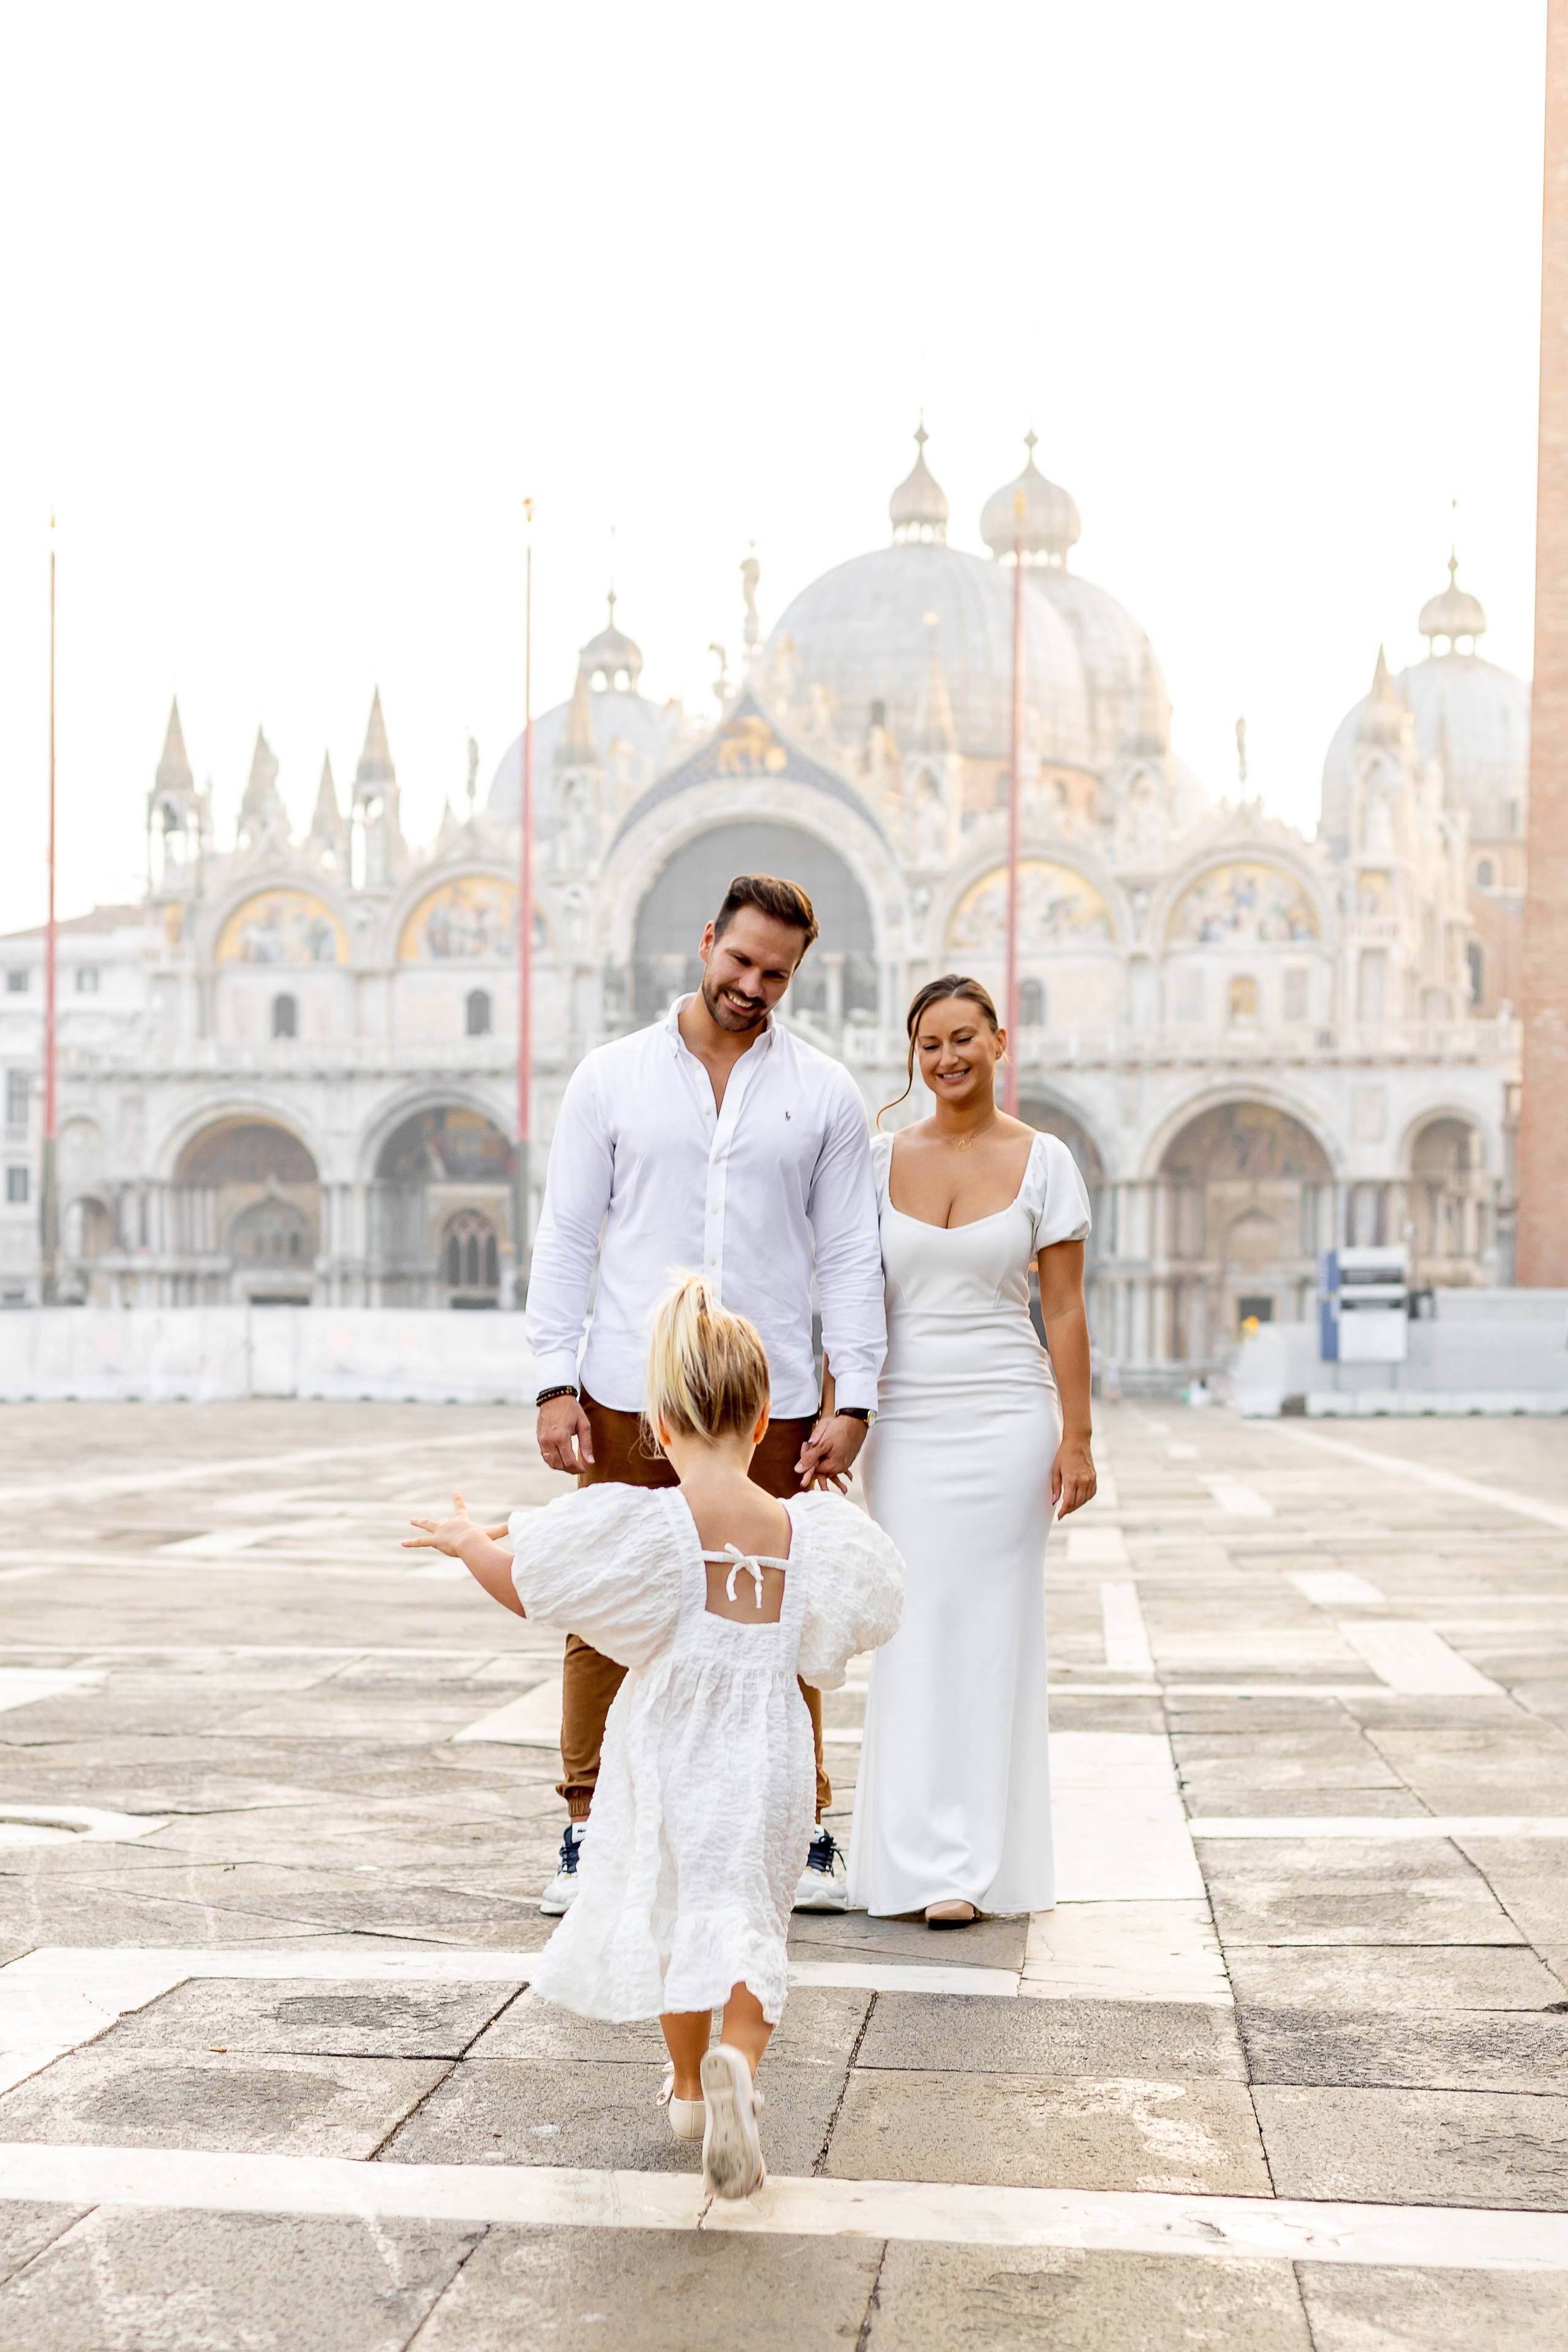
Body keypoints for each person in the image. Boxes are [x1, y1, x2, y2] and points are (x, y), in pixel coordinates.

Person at [405, 1274, 903, 2200]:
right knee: (752, 1921)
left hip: (670, 1756)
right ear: (762, 1425)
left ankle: (686, 2086)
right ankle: (741, 2073)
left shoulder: (647, 1523)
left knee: (679, 1925)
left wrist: (471, 1540)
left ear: (660, 1427)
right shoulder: (810, 1532)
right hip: (770, 1760)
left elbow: (531, 1585)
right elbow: (871, 1610)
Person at [523, 872, 886, 1915]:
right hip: (630, 1390)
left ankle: (804, 1826)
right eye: (740, 962)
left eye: (777, 973)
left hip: (766, 1395)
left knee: (784, 1602)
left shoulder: (822, 1092)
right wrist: (555, 1381)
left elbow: (851, 1256)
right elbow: (568, 1236)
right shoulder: (610, 1077)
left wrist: (850, 1399)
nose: (753, 986)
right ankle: (589, 1828)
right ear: (705, 945)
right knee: (603, 1601)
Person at [845, 974, 1097, 1926]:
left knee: (993, 1635)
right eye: (929, 1045)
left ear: (1000, 1041)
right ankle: (907, 1860)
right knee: (913, 1630)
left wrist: (1078, 1438)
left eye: (964, 1038)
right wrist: (842, 1413)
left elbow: (1064, 1308)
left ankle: (970, 1868)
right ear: (915, 1057)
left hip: (1006, 1421)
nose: (947, 1058)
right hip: (904, 1425)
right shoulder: (874, 1162)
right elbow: (853, 1304)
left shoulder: (1045, 1162)